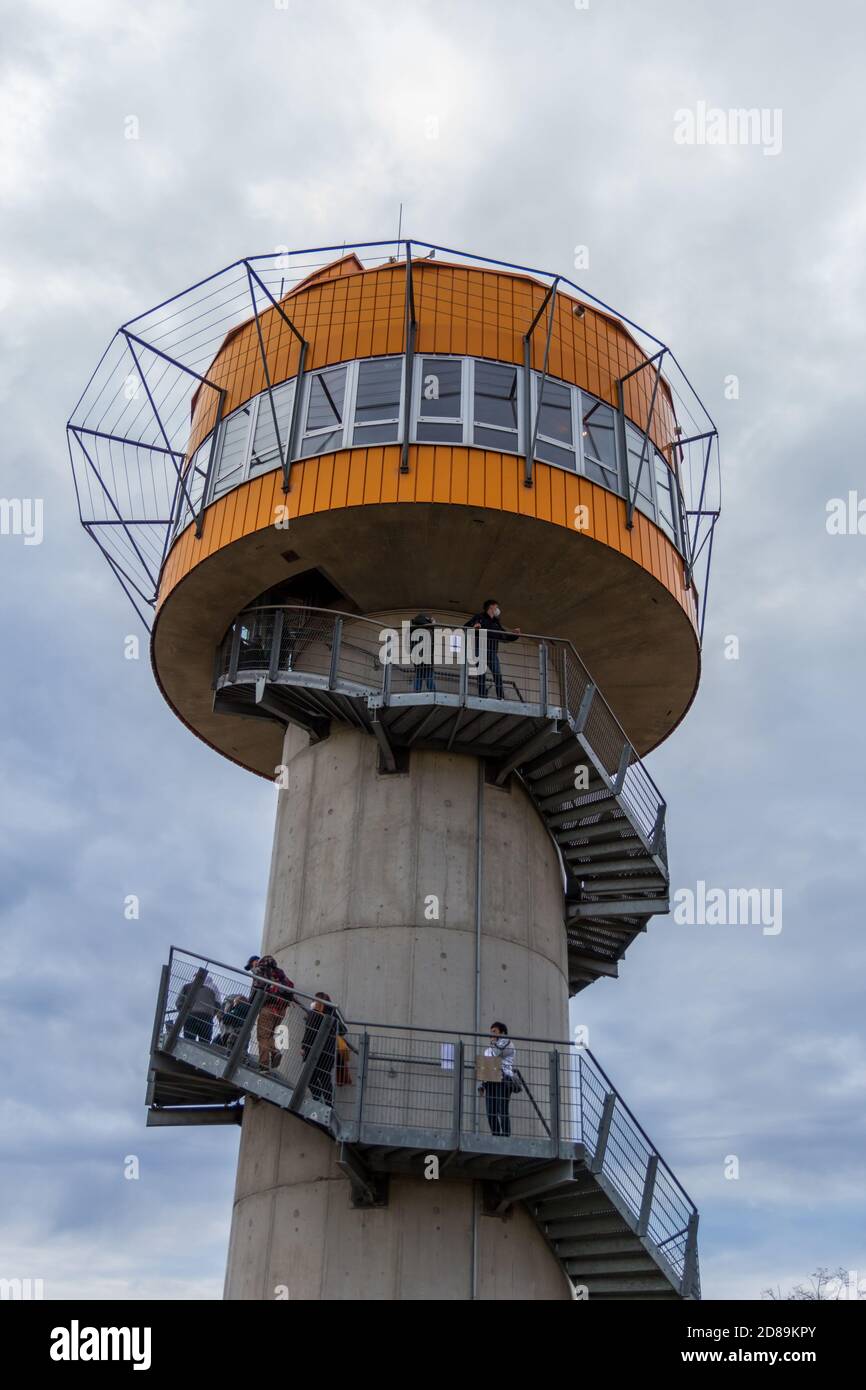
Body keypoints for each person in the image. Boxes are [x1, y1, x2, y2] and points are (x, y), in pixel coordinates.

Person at [247, 953, 295, 1072]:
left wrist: (250, 1005)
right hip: (281, 1010)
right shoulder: (280, 973)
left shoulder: (260, 971)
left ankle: (264, 1065)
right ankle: (274, 1053)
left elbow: (256, 989)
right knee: (268, 1035)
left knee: (262, 1036)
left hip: (268, 1008)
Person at [464, 599, 520, 699]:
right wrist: (474, 627)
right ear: (491, 607)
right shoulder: (479, 617)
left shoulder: (496, 622)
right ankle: (482, 696)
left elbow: (504, 635)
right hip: (480, 650)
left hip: (492, 652)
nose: (498, 609)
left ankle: (500, 697)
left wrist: (514, 635)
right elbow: (466, 627)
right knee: (482, 674)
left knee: (497, 674)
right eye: (496, 607)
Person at [300, 992, 344, 1108]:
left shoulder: (314, 1014)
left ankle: (317, 1097)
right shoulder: (332, 1014)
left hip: (315, 1051)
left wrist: (304, 1047)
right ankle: (329, 1104)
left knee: (309, 1077)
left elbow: (310, 1031)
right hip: (329, 1051)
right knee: (325, 1078)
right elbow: (343, 1030)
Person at [479, 1021, 517, 1137]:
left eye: (494, 1031)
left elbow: (496, 1053)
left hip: (503, 1079)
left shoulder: (508, 1043)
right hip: (490, 1081)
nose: (491, 1035)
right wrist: (482, 1085)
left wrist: (493, 1044)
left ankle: (506, 1137)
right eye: (491, 1032)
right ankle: (496, 1136)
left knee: (502, 1110)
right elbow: (485, 1066)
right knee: (491, 1112)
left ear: (503, 1032)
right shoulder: (488, 1049)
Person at [177, 973, 221, 1045]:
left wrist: (184, 1012)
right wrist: (212, 1013)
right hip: (207, 1018)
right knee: (205, 1043)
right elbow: (218, 1005)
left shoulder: (187, 987)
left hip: (190, 1016)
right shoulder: (212, 989)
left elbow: (179, 1002)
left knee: (189, 1041)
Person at [410, 612, 436, 692]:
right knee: (428, 674)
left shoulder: (413, 629)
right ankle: (432, 693)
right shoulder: (428, 629)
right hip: (426, 656)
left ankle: (416, 692)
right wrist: (433, 624)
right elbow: (432, 643)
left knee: (418, 674)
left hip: (416, 657)